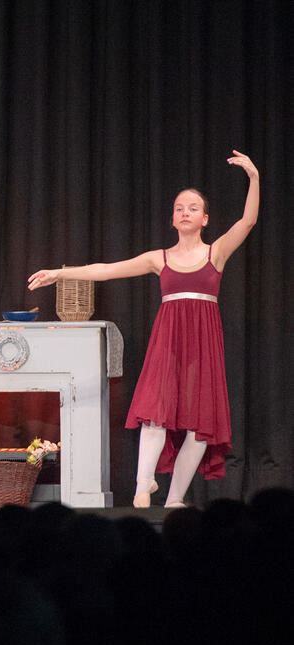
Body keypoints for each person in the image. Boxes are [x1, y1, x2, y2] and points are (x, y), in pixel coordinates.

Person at [28, 151, 260, 507]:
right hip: (169, 340)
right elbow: (106, 269)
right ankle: (143, 484)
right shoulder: (159, 258)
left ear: (205, 219)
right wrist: (60, 273)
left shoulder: (216, 253)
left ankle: (175, 499)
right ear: (172, 218)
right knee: (156, 410)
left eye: (193, 208)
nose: (185, 212)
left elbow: (247, 221)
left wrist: (254, 177)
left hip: (203, 343)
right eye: (180, 207)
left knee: (200, 424)